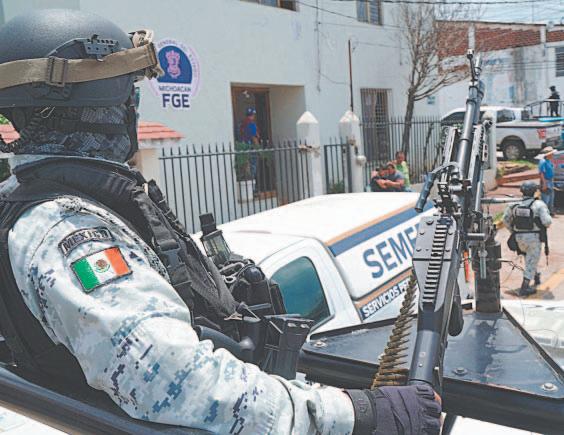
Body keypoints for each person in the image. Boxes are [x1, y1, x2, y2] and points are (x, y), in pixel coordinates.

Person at [0, 10, 441, 434]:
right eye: (129, 92)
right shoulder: (68, 231)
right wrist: (359, 414)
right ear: (92, 103)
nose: (133, 108)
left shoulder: (61, 203)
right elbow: (174, 383)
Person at [503, 181, 552, 296]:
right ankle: (524, 287)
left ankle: (536, 276)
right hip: (533, 238)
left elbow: (505, 220)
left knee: (529, 258)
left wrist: (513, 231)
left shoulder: (514, 205)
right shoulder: (539, 204)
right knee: (532, 259)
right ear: (534, 191)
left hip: (518, 238)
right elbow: (547, 222)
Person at [538, 146, 556, 215]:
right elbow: (541, 173)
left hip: (550, 181)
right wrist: (544, 183)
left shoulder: (549, 161)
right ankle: (544, 213)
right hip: (546, 181)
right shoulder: (543, 162)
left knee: (551, 197)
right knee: (546, 198)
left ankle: (550, 211)